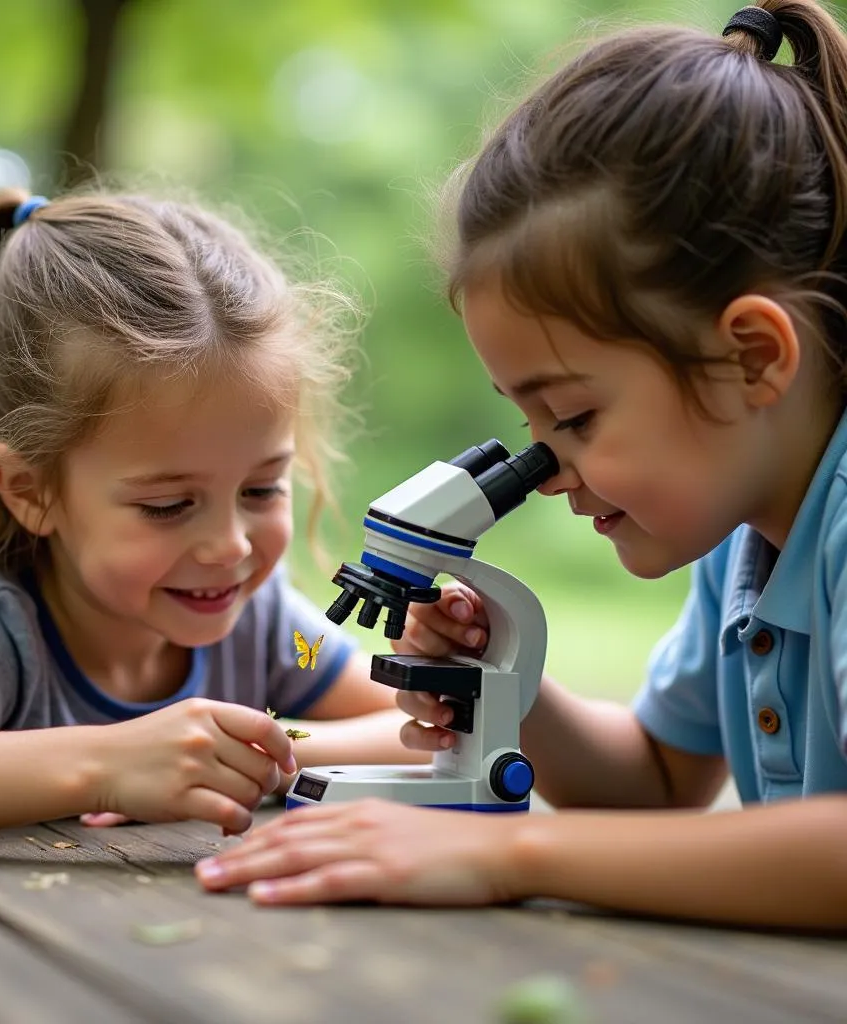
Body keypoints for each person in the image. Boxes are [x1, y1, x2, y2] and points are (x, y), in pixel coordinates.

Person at [195, 1, 847, 931]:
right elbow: (658, 785)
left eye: (574, 416)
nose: (545, 471)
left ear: (751, 356)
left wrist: (506, 852)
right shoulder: (746, 542)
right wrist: (510, 683)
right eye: (530, 422)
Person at [0, 188, 425, 847]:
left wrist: (263, 751)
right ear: (30, 490)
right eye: (168, 505)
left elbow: (425, 728)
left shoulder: (267, 627)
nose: (229, 546)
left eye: (262, 490)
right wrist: (108, 764)